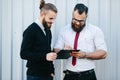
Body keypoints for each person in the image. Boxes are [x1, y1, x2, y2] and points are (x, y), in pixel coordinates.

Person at [54, 3, 107, 80]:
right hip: (69, 75)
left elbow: (103, 53)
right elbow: (56, 49)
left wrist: (85, 55)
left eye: (81, 21)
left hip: (88, 76)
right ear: (72, 15)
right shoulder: (64, 30)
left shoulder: (95, 31)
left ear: (86, 17)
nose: (78, 23)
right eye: (75, 20)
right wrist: (64, 51)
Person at [20, 0, 57, 80]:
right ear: (42, 15)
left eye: (54, 19)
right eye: (50, 18)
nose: (52, 22)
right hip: (35, 76)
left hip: (48, 75)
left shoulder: (48, 30)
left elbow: (48, 51)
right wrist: (45, 56)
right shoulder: (30, 30)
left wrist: (52, 70)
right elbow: (23, 54)